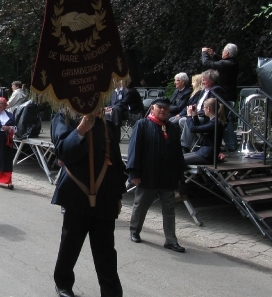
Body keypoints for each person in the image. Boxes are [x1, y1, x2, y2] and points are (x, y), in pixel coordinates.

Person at [51, 108, 126, 297]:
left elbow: (116, 162)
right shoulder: (64, 117)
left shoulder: (107, 123)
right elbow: (63, 152)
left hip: (106, 196)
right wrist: (82, 129)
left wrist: (118, 195)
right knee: (71, 243)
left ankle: (111, 292)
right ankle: (63, 283)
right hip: (77, 194)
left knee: (106, 250)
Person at [126, 98, 186, 253]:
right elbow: (134, 150)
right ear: (152, 108)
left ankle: (171, 240)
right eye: (160, 107)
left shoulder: (172, 127)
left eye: (166, 108)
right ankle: (134, 231)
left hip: (168, 176)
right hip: (148, 175)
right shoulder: (142, 125)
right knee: (141, 205)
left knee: (169, 209)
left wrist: (180, 175)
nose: (163, 110)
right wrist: (134, 172)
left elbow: (178, 153)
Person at [201, 43, 239, 151]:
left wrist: (204, 53)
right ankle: (230, 145)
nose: (222, 52)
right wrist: (214, 55)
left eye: (223, 51)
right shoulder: (234, 63)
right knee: (227, 119)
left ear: (226, 53)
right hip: (230, 95)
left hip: (226, 97)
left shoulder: (227, 64)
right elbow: (221, 62)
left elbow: (207, 64)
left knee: (227, 120)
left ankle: (231, 145)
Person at [184, 98, 226, 164]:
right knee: (179, 157)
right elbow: (199, 130)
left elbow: (193, 129)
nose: (203, 109)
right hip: (204, 153)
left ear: (208, 109)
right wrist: (195, 115)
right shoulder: (213, 121)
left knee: (179, 160)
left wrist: (189, 116)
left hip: (207, 155)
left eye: (204, 107)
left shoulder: (215, 123)